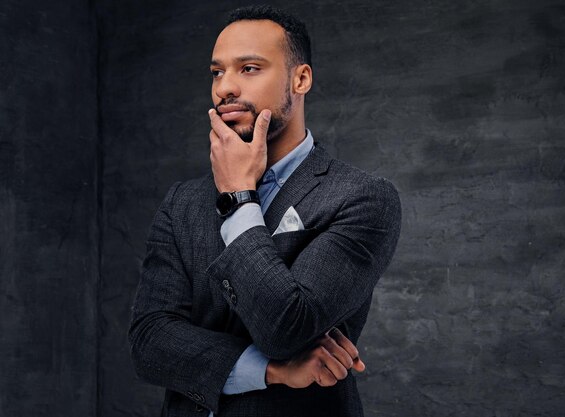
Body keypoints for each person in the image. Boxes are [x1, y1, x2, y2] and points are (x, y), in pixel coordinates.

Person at [128, 5, 401, 417]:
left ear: (301, 78)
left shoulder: (362, 198)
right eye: (217, 72)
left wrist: (238, 196)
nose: (225, 88)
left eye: (249, 68)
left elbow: (285, 328)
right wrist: (272, 369)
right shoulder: (181, 202)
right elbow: (149, 342)